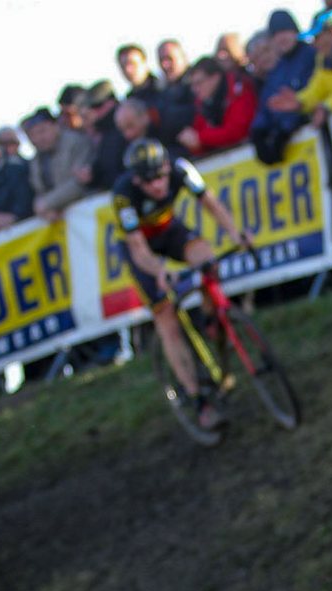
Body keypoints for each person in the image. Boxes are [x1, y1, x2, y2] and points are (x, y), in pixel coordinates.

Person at [112, 138, 254, 430]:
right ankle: (198, 399)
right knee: (166, 316)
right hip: (141, 248)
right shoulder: (124, 196)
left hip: (169, 229)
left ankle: (212, 316)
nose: (159, 185)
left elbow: (210, 203)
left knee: (205, 259)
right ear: (137, 180)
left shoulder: (180, 169)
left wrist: (235, 234)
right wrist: (158, 270)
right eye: (150, 181)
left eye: (162, 176)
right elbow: (138, 249)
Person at [249, 9, 314, 165]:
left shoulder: (311, 55)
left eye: (285, 31)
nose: (282, 38)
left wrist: (284, 131)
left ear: (295, 31)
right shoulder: (278, 69)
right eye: (276, 34)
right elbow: (269, 102)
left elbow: (309, 96)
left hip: (314, 134)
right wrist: (258, 131)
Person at [178, 56, 258, 156]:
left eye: (199, 83)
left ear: (215, 78)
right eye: (192, 85)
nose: (194, 89)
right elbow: (199, 140)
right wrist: (194, 144)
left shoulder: (239, 91)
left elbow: (236, 132)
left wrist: (199, 138)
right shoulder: (202, 104)